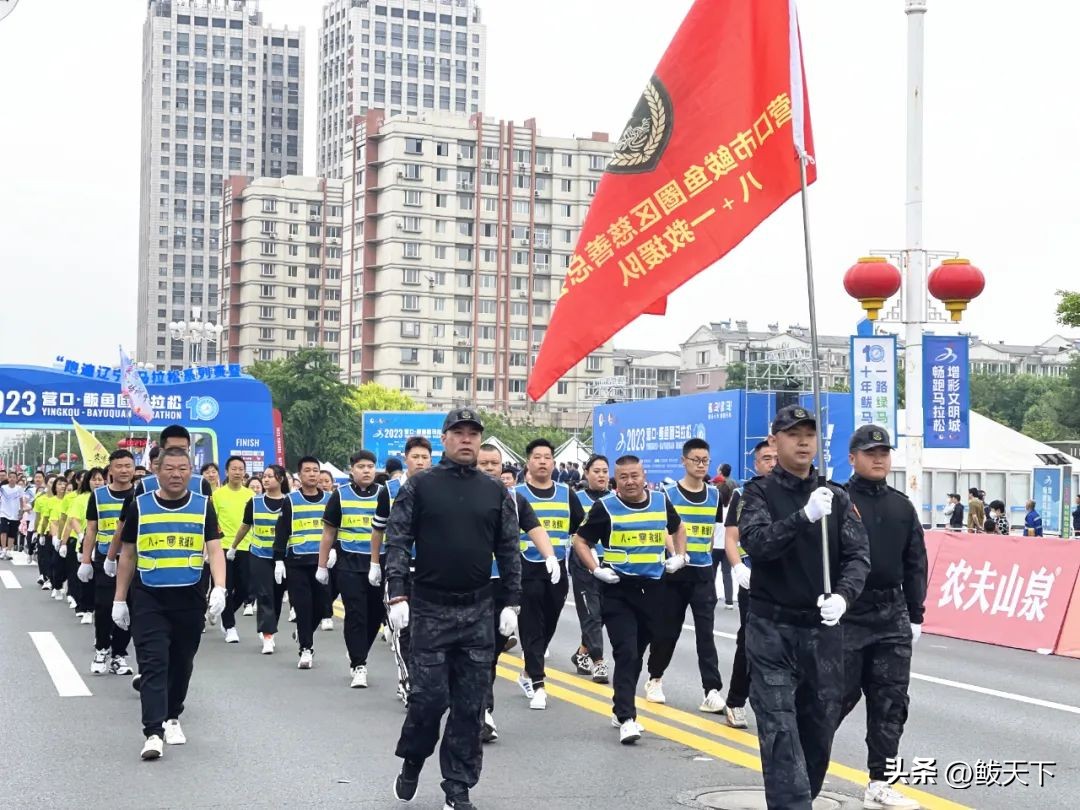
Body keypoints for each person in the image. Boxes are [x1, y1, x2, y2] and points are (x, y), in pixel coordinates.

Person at [386, 408, 522, 810]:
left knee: (470, 706)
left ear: (480, 441)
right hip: (429, 608)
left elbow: (509, 549)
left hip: (478, 609)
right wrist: (397, 594)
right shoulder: (419, 487)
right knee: (428, 700)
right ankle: (413, 760)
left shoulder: (495, 490)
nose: (466, 439)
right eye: (458, 433)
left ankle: (457, 787)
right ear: (444, 438)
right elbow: (397, 540)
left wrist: (512, 601)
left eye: (473, 434)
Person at [738, 405, 870, 809]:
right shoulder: (758, 492)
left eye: (809, 434)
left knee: (819, 727)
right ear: (774, 440)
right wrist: (804, 516)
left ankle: (799, 798)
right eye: (793, 433)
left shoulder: (837, 496)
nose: (802, 441)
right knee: (779, 730)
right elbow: (757, 543)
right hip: (771, 629)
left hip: (822, 632)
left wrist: (844, 596)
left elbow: (858, 555)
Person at [112, 447, 227, 760]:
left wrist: (220, 587)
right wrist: (120, 599)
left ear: (191, 471)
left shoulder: (203, 506)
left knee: (181, 661)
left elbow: (215, 550)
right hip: (149, 596)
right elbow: (129, 554)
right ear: (157, 471)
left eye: (183, 468)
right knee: (153, 663)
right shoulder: (140, 505)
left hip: (189, 596)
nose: (176, 474)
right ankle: (152, 732)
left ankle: (173, 715)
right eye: (170, 469)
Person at [837, 425, 926, 810]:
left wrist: (916, 613)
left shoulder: (901, 505)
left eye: (884, 453)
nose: (878, 459)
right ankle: (805, 765)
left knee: (890, 703)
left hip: (891, 614)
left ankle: (881, 780)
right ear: (852, 457)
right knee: (833, 698)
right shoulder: (836, 500)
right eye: (870, 452)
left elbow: (915, 561)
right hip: (846, 613)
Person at [570, 454, 686, 743]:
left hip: (654, 589)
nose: (630, 481)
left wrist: (680, 557)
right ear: (615, 481)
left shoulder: (660, 502)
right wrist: (596, 570)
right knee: (626, 652)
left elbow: (678, 527)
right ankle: (627, 718)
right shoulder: (605, 508)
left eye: (635, 475)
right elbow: (580, 541)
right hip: (618, 589)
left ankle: (619, 705)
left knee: (638, 651)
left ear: (644, 475)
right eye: (624, 477)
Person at [475, 442, 555, 742]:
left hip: (501, 586)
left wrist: (548, 556)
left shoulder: (515, 499)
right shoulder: (458, 495)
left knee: (490, 651)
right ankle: (475, 710)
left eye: (494, 464)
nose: (489, 469)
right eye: (483, 464)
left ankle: (483, 711)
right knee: (472, 652)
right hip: (464, 587)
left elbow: (535, 529)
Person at [646, 438, 726, 713]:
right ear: (684, 461)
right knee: (667, 630)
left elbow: (714, 533)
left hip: (703, 574)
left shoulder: (716, 495)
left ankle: (711, 690)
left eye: (705, 460)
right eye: (696, 460)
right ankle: (655, 678)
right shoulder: (668, 494)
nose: (701, 465)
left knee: (706, 634)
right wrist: (677, 554)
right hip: (675, 575)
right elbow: (665, 530)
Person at [514, 437, 582, 710]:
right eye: (537, 457)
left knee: (548, 624)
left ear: (554, 462)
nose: (542, 461)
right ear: (528, 461)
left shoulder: (567, 494)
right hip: (524, 570)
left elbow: (581, 529)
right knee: (530, 625)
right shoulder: (516, 494)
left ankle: (529, 670)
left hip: (557, 572)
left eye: (547, 457)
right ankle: (539, 684)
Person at [316, 450, 390, 688]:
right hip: (349, 563)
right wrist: (322, 565)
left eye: (370, 466)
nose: (366, 470)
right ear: (352, 470)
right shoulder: (340, 495)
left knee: (376, 613)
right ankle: (359, 664)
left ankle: (359, 651)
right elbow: (328, 532)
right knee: (355, 613)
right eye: (361, 466)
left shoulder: (384, 494)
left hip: (379, 562)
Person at [722, 440, 778, 729]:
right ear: (756, 464)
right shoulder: (744, 494)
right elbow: (730, 537)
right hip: (754, 579)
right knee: (750, 640)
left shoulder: (798, 493)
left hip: (790, 580)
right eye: (766, 458)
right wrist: (738, 567)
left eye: (775, 457)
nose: (772, 463)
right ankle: (735, 701)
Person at [78, 450, 137, 675]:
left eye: (128, 466)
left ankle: (119, 654)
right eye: (119, 466)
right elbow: (92, 528)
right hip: (106, 560)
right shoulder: (99, 496)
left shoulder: (140, 495)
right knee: (104, 606)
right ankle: (101, 648)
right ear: (110, 470)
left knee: (129, 606)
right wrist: (86, 560)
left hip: (133, 559)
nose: (124, 470)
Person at [274, 457, 331, 668]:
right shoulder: (290, 500)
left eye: (316, 470)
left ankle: (302, 631)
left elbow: (336, 529)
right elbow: (282, 532)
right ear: (299, 475)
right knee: (303, 606)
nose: (312, 474)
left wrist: (334, 550)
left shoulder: (330, 499)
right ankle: (306, 648)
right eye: (307, 470)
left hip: (322, 563)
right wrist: (279, 559)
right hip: (297, 562)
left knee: (323, 606)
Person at [233, 465, 290, 653]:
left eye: (270, 476)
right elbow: (245, 526)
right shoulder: (254, 502)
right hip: (259, 554)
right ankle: (267, 635)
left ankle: (270, 628)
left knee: (277, 594)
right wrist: (233, 547)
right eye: (263, 476)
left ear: (280, 479)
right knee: (264, 593)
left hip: (283, 556)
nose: (265, 480)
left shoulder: (289, 502)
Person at [568, 454, 611, 684]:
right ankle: (599, 661)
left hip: (611, 565)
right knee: (591, 613)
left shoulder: (616, 499)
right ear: (586, 473)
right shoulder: (576, 498)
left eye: (605, 471)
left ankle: (582, 653)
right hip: (584, 564)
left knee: (604, 612)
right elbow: (573, 531)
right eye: (597, 471)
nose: (602, 475)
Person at [213, 456, 254, 644]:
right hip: (223, 547)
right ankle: (230, 626)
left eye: (241, 469)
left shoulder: (251, 495)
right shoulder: (218, 495)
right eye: (234, 469)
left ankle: (224, 612)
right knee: (227, 587)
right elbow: (213, 523)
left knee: (246, 588)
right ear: (227, 472)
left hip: (247, 546)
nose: (237, 472)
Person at [0, 469, 24, 560]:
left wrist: (21, 511)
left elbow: (21, 500)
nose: (12, 479)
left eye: (14, 477)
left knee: (12, 532)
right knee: (3, 530)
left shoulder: (19, 489)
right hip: (4, 513)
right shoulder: (3, 488)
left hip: (15, 513)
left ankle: (9, 550)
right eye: (10, 477)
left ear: (16, 479)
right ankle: (3, 549)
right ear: (8, 478)